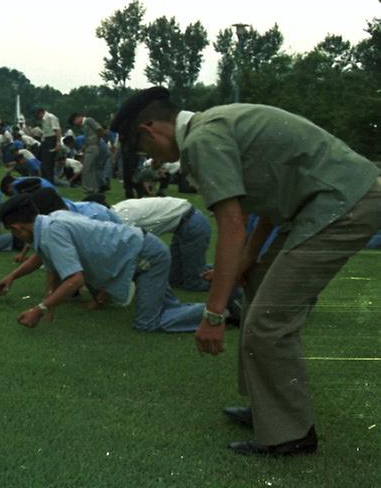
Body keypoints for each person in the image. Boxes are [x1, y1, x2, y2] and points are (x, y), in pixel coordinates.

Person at [111, 85, 381, 456]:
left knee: (268, 321)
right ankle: (269, 410)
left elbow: (233, 225)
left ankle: (291, 435)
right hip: (329, 201)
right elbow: (266, 204)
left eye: (144, 150)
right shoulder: (212, 127)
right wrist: (246, 264)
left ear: (149, 130)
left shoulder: (202, 141)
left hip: (344, 203)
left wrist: (213, 312)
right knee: (258, 287)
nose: (152, 159)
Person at [0, 194, 209, 333]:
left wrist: (39, 309)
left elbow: (75, 280)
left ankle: (221, 310)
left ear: (17, 228)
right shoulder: (50, 221)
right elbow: (44, 259)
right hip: (139, 252)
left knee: (146, 323)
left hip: (146, 257)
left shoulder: (53, 231)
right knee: (168, 308)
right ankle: (215, 310)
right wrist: (13, 277)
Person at [111, 196, 211, 291]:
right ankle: (208, 269)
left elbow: (129, 254)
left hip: (192, 223)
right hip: (184, 223)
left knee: (193, 283)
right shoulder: (116, 211)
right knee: (174, 278)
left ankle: (222, 278)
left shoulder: (121, 221)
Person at [68, 112, 105, 195]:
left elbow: (99, 129)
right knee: (91, 169)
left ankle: (88, 188)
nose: (76, 124)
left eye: (74, 122)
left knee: (86, 169)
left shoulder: (89, 120)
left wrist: (97, 141)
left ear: (78, 118)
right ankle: (94, 189)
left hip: (92, 147)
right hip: (89, 147)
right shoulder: (84, 125)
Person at [35, 107, 62, 184]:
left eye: (38, 115)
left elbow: (57, 130)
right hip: (46, 140)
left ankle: (49, 183)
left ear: (41, 112)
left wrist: (58, 143)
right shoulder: (44, 120)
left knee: (48, 164)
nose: (38, 117)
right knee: (42, 162)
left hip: (52, 140)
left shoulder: (51, 117)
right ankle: (44, 181)